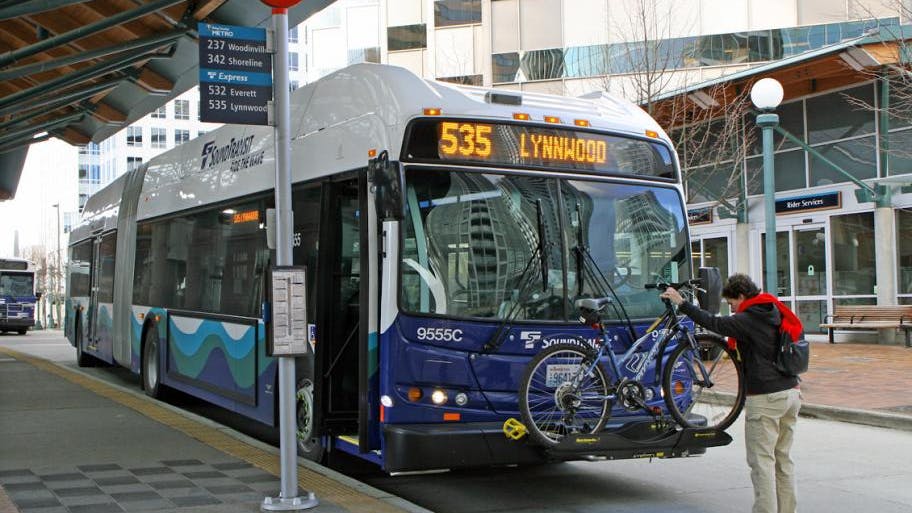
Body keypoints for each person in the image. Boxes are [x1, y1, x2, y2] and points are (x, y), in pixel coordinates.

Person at [660, 273, 801, 513]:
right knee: (783, 461)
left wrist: (681, 303)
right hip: (791, 393)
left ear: (742, 296)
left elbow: (713, 323)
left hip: (766, 397)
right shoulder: (773, 309)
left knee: (762, 464)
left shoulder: (748, 319)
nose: (732, 308)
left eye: (732, 302)